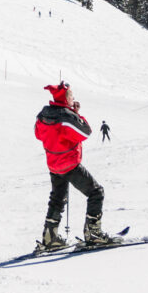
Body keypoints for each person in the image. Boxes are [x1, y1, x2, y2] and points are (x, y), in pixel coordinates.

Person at [34, 82, 113, 250]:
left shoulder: (43, 114)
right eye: (71, 96)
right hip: (69, 164)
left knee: (57, 199)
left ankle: (50, 237)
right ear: (65, 98)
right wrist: (75, 114)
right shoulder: (65, 116)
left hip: (53, 164)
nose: (73, 99)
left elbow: (38, 134)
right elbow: (85, 132)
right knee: (96, 192)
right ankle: (93, 234)